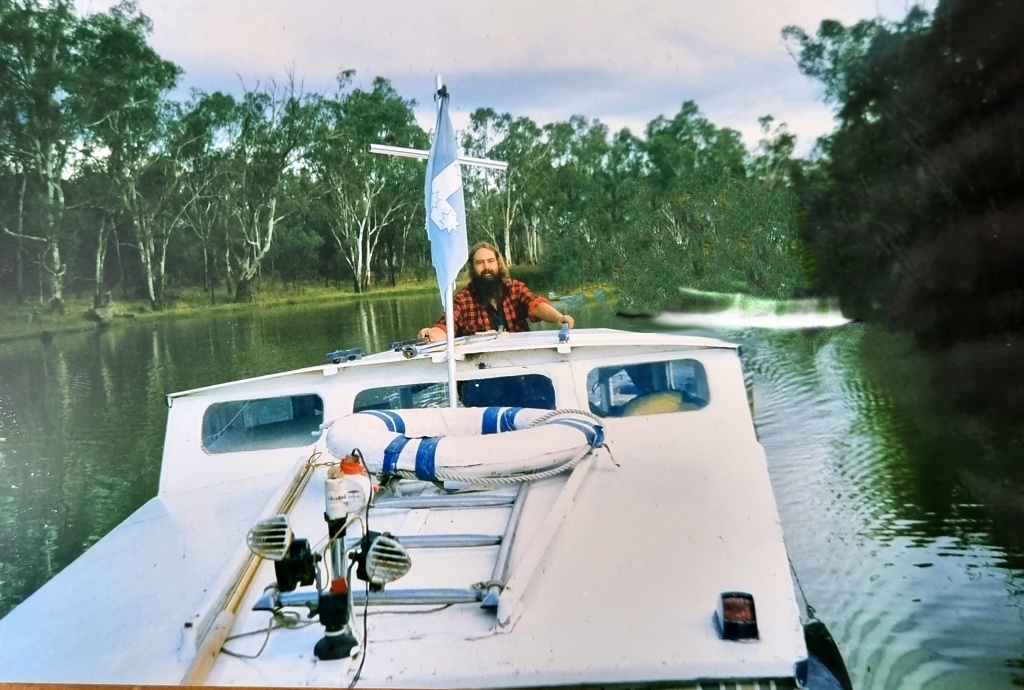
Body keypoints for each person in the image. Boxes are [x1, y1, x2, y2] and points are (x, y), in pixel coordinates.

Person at [417, 242, 574, 342]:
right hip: (482, 374)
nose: (486, 267)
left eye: (490, 261)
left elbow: (536, 306)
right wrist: (430, 334)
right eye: (480, 263)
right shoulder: (461, 300)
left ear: (498, 264)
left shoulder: (514, 288)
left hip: (520, 365)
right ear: (472, 268)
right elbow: (445, 327)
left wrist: (559, 318)